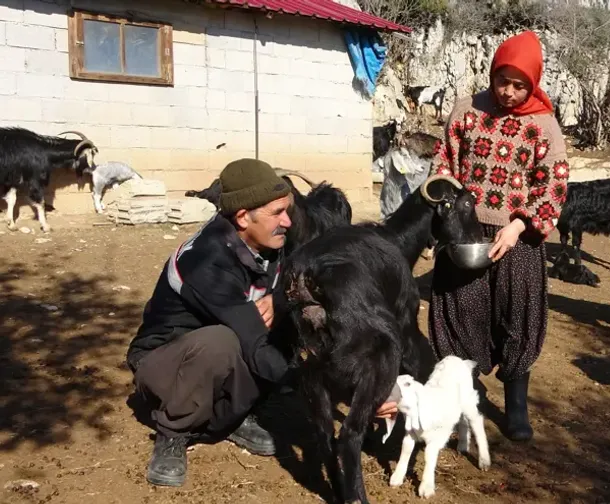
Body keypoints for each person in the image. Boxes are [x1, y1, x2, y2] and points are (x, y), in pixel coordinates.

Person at [126, 159, 398, 487]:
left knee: (285, 327)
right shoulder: (206, 262)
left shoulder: (269, 244)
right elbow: (254, 342)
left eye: (288, 210)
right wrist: (348, 388)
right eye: (277, 213)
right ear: (243, 216)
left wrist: (281, 300)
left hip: (226, 352)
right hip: (166, 363)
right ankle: (173, 430)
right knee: (222, 343)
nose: (287, 221)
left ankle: (232, 416)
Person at [428, 31, 569, 442]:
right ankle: (464, 396)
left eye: (519, 84)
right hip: (466, 230)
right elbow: (445, 165)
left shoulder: (544, 126)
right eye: (502, 79)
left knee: (517, 315)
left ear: (533, 83)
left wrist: (520, 224)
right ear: (492, 72)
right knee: (459, 311)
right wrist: (448, 207)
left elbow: (553, 186)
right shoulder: (466, 111)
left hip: (518, 236)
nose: (508, 91)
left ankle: (516, 404)